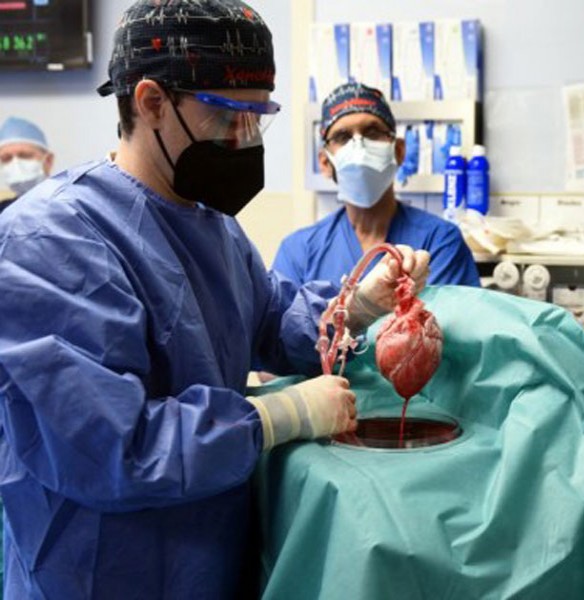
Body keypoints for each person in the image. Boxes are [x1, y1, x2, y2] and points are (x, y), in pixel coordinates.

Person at [0, 1, 429, 598]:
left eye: (259, 118)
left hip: (208, 560)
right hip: (99, 572)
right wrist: (281, 415)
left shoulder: (210, 225)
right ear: (151, 102)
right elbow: (108, 447)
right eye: (231, 115)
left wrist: (356, 306)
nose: (245, 138)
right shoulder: (49, 242)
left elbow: (274, 318)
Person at [272, 81, 481, 288]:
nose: (359, 147)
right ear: (325, 162)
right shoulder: (299, 251)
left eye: (372, 132)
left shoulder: (439, 241)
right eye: (342, 137)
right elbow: (286, 320)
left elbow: (449, 319)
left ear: (398, 151)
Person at [0, 116, 54, 212]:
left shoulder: (70, 206)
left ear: (48, 161)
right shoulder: (3, 210)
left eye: (25, 156)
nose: (16, 164)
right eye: (6, 158)